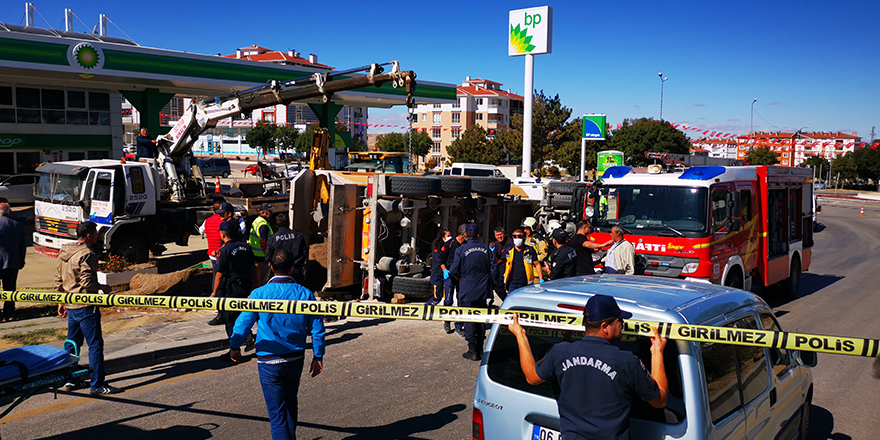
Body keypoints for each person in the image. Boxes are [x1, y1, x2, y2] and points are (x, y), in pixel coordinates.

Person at [508, 294, 668, 440]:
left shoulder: (560, 352)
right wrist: (657, 352)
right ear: (605, 326)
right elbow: (659, 401)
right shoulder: (626, 361)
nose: (622, 325)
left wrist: (520, 335)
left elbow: (531, 377)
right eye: (619, 321)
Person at [229, 251, 325, 440]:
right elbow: (317, 328)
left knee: (277, 414)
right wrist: (318, 356)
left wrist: (235, 346)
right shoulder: (305, 294)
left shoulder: (259, 294)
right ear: (291, 268)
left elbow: (243, 323)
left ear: (271, 267)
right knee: (290, 404)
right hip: (295, 357)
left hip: (269, 360)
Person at [55, 221, 121, 395]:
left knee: (72, 343)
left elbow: (59, 278)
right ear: (90, 235)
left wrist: (61, 301)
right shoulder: (87, 254)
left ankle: (70, 379)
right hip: (85, 306)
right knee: (95, 345)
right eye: (96, 233)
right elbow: (87, 282)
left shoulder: (65, 251)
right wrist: (103, 287)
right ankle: (97, 384)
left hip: (69, 303)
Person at [449, 223, 496, 361]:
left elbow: (453, 270)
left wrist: (457, 275)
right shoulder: (486, 249)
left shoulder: (461, 250)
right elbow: (494, 269)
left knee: (469, 318)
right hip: (483, 289)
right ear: (477, 234)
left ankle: (472, 350)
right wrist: (491, 284)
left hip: (467, 289)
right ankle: (480, 349)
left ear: (466, 235)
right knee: (481, 317)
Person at [213, 221, 257, 359]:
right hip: (244, 286)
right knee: (241, 315)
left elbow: (219, 274)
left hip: (231, 288)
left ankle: (235, 349)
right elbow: (255, 265)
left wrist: (214, 293)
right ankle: (248, 340)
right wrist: (255, 284)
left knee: (230, 319)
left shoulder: (224, 250)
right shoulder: (245, 247)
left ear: (222, 234)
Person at [265, 213, 307, 286]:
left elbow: (268, 256)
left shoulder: (273, 239)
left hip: (279, 273)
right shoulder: (298, 235)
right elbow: (305, 252)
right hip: (296, 269)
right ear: (288, 222)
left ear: (277, 224)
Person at [0, 203, 26, 322]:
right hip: (12, 262)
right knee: (10, 289)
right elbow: (22, 246)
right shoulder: (18, 225)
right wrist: (21, 260)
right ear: (9, 212)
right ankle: (9, 313)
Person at [442, 224, 467, 335]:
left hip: (462, 277)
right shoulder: (450, 243)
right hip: (450, 276)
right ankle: (447, 322)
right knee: (448, 300)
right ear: (462, 234)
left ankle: (459, 325)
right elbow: (440, 258)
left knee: (461, 301)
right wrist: (444, 270)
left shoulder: (467, 244)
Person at [503, 228, 543, 292]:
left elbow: (537, 264)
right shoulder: (508, 250)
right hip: (512, 283)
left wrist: (541, 279)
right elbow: (504, 263)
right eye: (514, 237)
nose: (517, 238)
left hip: (526, 283)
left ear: (524, 238)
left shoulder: (530, 250)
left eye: (519, 236)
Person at [250, 203, 275, 286]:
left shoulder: (257, 220)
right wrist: (268, 256)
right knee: (263, 280)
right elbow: (263, 242)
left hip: (255, 255)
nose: (271, 213)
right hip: (262, 256)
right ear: (263, 212)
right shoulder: (263, 225)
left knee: (256, 279)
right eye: (269, 211)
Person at [427, 228, 452, 307]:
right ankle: (427, 308)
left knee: (447, 297)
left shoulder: (450, 246)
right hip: (437, 274)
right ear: (443, 237)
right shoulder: (437, 247)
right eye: (448, 236)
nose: (450, 238)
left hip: (447, 275)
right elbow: (439, 259)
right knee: (437, 296)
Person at [490, 226, 513, 301]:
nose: (499, 236)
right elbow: (496, 258)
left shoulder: (510, 242)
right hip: (500, 267)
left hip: (510, 266)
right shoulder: (496, 244)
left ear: (504, 234)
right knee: (497, 286)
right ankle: (506, 300)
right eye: (497, 235)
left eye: (501, 234)